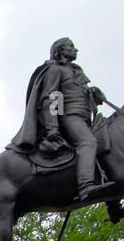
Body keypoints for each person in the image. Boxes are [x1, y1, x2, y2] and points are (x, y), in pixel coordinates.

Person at [9, 37, 108, 201]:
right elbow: (51, 97)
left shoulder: (76, 70)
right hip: (69, 118)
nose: (76, 49)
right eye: (71, 46)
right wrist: (52, 127)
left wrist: (93, 94)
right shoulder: (55, 69)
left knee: (108, 146)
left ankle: (112, 204)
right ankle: (86, 186)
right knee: (88, 143)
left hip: (84, 118)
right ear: (61, 50)